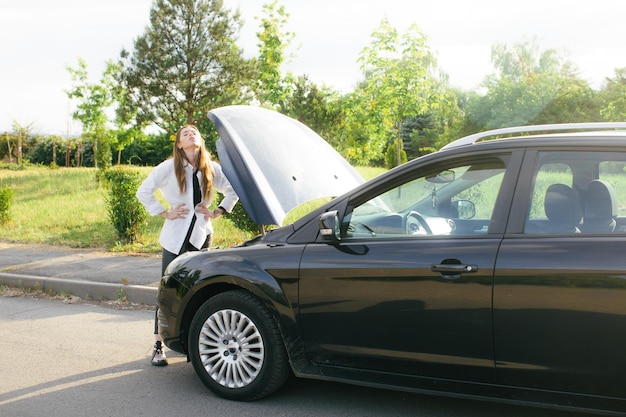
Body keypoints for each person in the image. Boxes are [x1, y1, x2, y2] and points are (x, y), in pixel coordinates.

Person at [136, 124, 239, 366]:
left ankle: (196, 343)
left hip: (202, 236)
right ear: (179, 144)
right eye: (185, 133)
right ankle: (158, 345)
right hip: (175, 239)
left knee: (202, 290)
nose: (191, 134)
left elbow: (233, 191)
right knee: (168, 292)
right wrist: (164, 213)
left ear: (201, 141)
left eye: (194, 132)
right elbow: (144, 191)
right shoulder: (168, 167)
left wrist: (219, 210)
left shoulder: (211, 168)